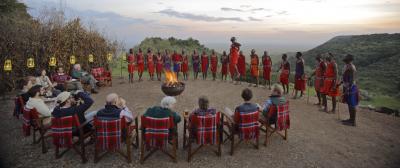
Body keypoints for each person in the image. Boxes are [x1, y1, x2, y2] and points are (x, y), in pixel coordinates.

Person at [341, 54, 359, 126]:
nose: (345, 60)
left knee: (352, 104)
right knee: (349, 103)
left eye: (346, 59)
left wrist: (348, 89)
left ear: (349, 60)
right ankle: (350, 119)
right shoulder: (347, 66)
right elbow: (345, 77)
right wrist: (340, 83)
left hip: (351, 87)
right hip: (348, 86)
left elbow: (351, 80)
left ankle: (353, 122)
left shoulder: (351, 67)